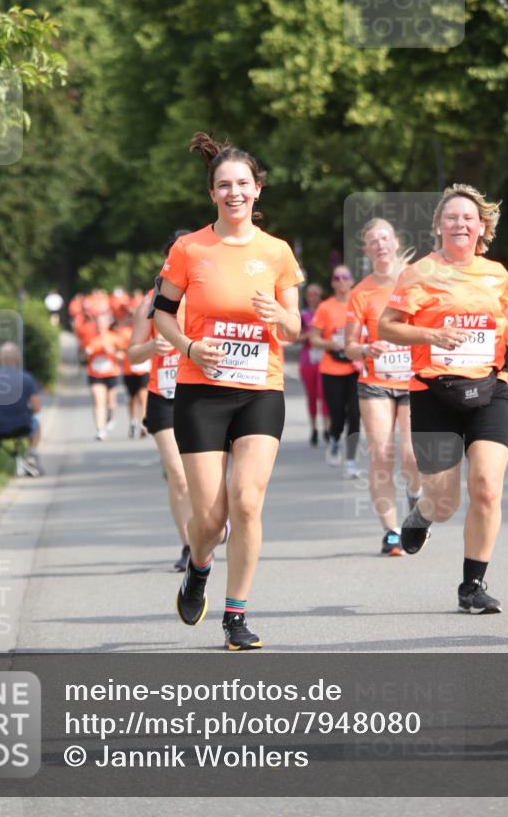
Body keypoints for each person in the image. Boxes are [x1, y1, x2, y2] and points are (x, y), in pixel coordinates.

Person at [153, 132, 303, 651]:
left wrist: (278, 315)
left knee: (246, 502)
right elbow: (163, 315)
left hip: (261, 389)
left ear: (257, 190)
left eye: (242, 183)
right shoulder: (189, 248)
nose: (234, 192)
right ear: (212, 193)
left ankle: (235, 615)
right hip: (201, 390)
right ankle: (198, 568)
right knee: (211, 519)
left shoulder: (277, 252)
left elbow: (295, 328)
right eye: (224, 185)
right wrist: (190, 348)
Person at [378, 184, 508, 613]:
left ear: (482, 226)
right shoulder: (420, 273)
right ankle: (423, 513)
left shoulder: (496, 274)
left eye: (468, 218)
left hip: (490, 389)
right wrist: (431, 334)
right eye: (451, 218)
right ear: (439, 226)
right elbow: (388, 326)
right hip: (433, 393)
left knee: (486, 488)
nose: (460, 224)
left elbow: (506, 324)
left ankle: (472, 586)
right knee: (444, 501)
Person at [345, 219, 421, 555]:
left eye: (384, 238)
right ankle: (391, 531)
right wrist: (364, 348)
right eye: (372, 240)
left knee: (412, 457)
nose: (379, 244)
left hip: (413, 378)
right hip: (375, 382)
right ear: (366, 249)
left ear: (395, 241)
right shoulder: (360, 293)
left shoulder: (416, 280)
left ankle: (416, 500)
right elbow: (348, 345)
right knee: (381, 454)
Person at [127, 230, 193, 570]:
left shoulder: (204, 297)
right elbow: (132, 355)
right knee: (178, 475)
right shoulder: (150, 303)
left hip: (200, 394)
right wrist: (153, 347)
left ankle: (211, 522)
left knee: (204, 475)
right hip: (163, 397)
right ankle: (188, 544)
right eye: (172, 256)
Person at [310, 265, 361, 478]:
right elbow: (313, 337)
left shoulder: (358, 304)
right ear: (332, 283)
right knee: (337, 416)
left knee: (356, 416)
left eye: (345, 277)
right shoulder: (325, 307)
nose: (341, 281)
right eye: (337, 278)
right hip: (331, 368)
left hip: (356, 367)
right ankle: (334, 439)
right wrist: (330, 344)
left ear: (351, 281)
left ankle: (350, 461)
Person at [0, 342, 43, 474]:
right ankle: (32, 452)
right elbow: (37, 408)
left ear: (2, 358)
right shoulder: (27, 378)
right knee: (36, 424)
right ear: (18, 359)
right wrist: (26, 412)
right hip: (23, 426)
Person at [298, 283, 329, 445]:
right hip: (308, 359)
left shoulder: (326, 313)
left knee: (323, 394)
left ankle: (326, 428)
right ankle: (313, 429)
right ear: (306, 297)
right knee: (311, 395)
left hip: (324, 358)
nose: (313, 297)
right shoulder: (302, 315)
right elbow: (295, 337)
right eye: (310, 294)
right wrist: (309, 335)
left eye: (316, 294)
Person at [83, 311, 123, 440]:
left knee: (111, 402)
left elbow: (123, 356)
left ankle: (110, 416)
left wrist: (111, 351)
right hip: (95, 373)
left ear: (107, 324)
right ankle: (100, 429)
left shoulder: (114, 338)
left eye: (102, 322)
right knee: (98, 400)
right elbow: (82, 357)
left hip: (111, 373)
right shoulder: (90, 338)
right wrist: (86, 353)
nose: (99, 325)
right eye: (98, 322)